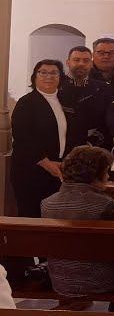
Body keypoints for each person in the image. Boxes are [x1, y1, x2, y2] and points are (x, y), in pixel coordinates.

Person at [41, 145, 114, 308]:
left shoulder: (47, 203)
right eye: (106, 171)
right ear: (95, 174)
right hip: (97, 280)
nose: (108, 176)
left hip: (60, 279)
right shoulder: (105, 204)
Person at [12, 60, 83, 217]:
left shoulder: (67, 101)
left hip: (62, 168)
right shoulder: (26, 103)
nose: (48, 76)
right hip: (32, 170)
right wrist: (46, 163)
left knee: (58, 217)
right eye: (43, 72)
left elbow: (76, 133)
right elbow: (23, 138)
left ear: (60, 77)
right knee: (33, 215)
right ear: (35, 77)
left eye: (54, 73)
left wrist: (67, 162)